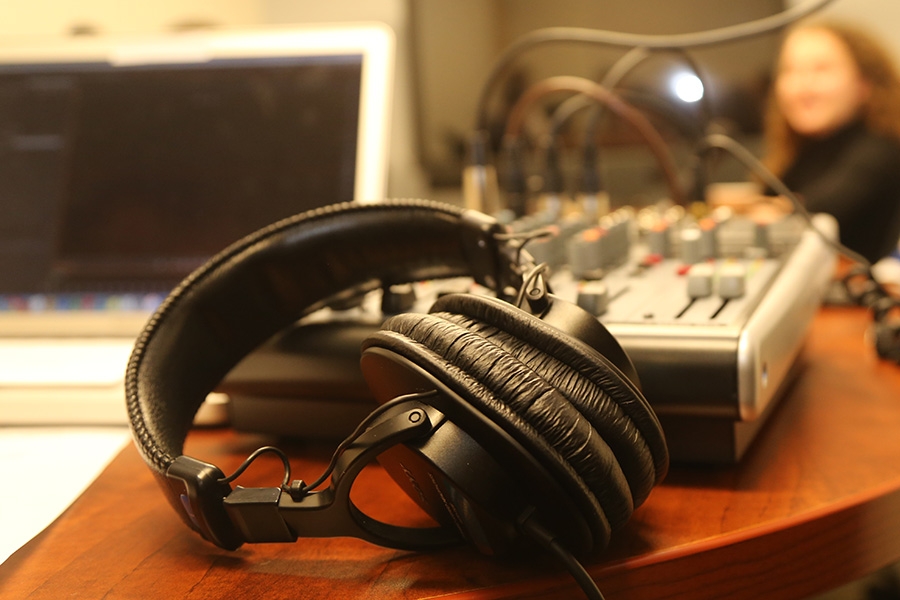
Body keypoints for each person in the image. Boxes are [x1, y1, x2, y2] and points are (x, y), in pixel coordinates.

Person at [760, 21, 900, 264]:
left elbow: (817, 212)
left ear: (865, 84)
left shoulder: (881, 148)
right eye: (790, 70)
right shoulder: (800, 151)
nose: (803, 86)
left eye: (821, 69)